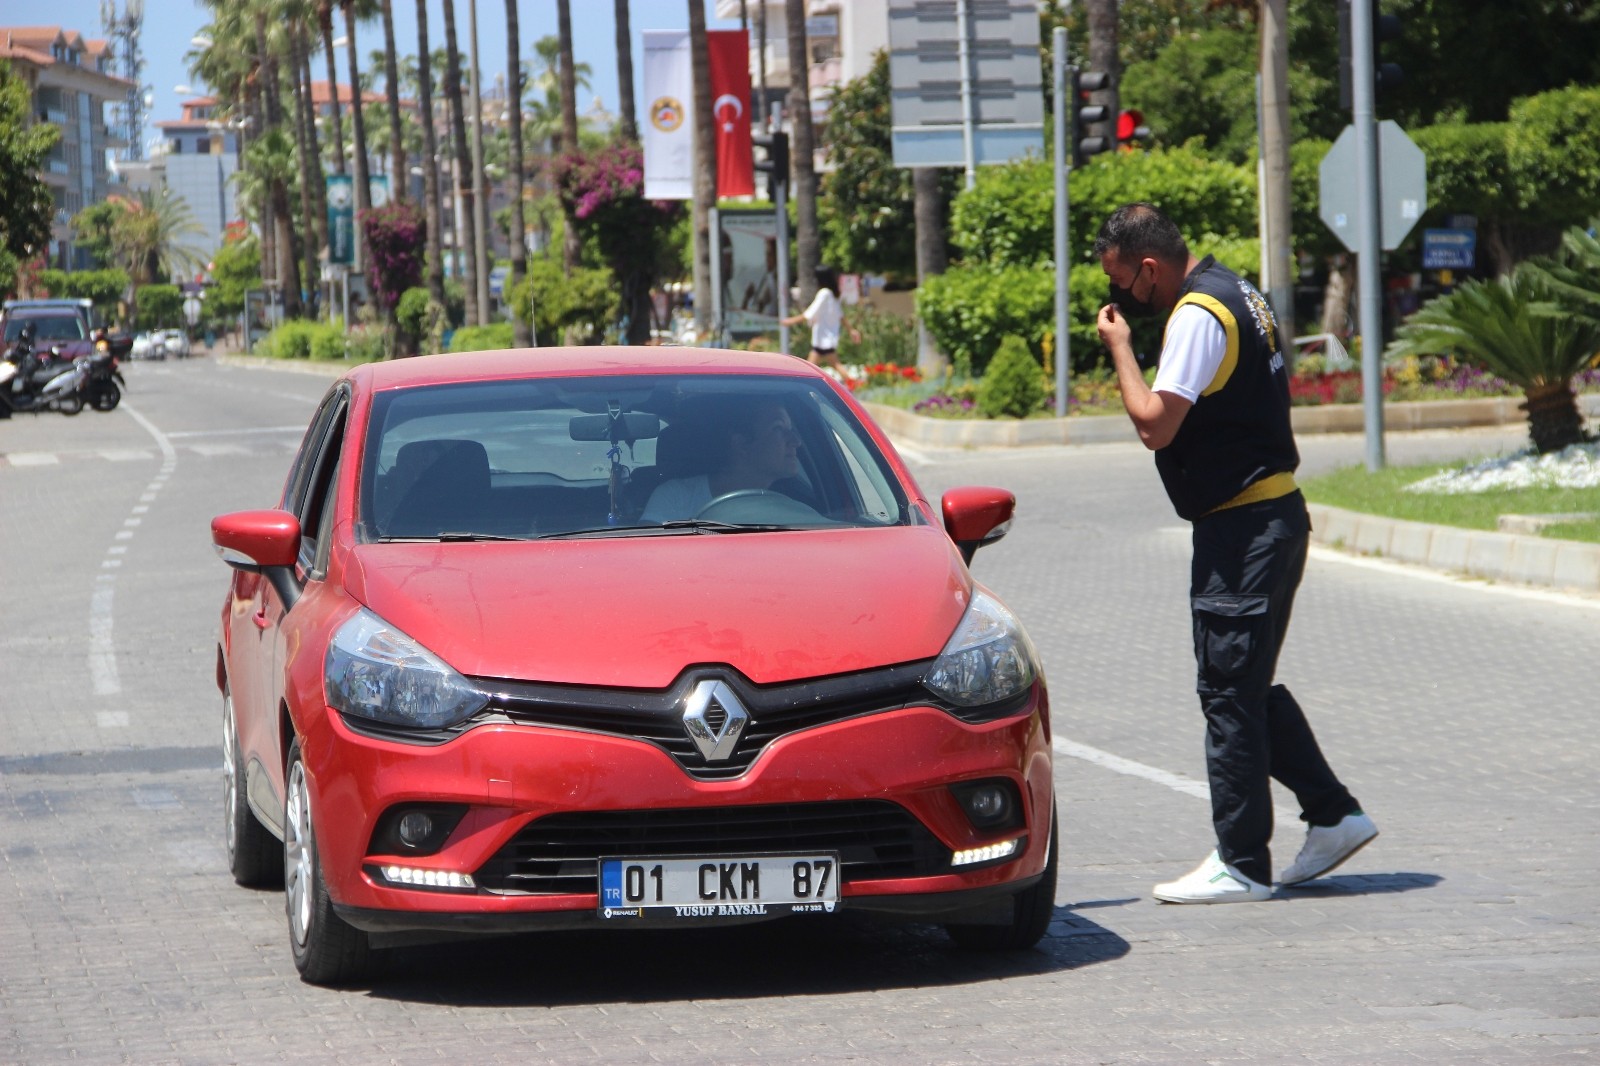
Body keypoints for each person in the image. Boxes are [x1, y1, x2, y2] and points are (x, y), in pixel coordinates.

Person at [1093, 201, 1377, 905]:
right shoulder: (1239, 292)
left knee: (1227, 694)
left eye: (1123, 282)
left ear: (1149, 269)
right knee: (1244, 686)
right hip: (1273, 518)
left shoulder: (1195, 313)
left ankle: (1242, 862)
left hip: (1243, 531)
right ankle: (1335, 816)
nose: (1121, 297)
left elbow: (1156, 426)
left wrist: (1121, 349)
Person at [641, 399, 803, 523]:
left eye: (792, 430)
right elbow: (648, 559)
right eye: (778, 428)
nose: (796, 441)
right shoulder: (676, 498)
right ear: (741, 444)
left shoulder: (802, 502)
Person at [781, 267, 859, 373]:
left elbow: (809, 313)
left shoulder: (824, 293)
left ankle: (855, 384)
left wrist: (790, 321)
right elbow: (840, 316)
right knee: (821, 366)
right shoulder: (832, 294)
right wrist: (851, 330)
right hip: (826, 339)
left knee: (813, 368)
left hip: (823, 339)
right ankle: (854, 384)